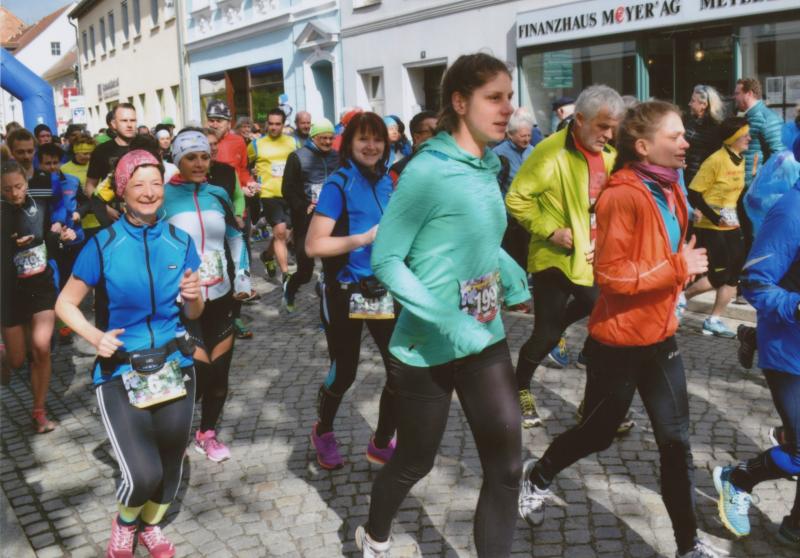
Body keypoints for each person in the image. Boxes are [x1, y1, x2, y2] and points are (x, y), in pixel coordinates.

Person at [517, 100, 718, 558]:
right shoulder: (621, 195)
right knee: (598, 433)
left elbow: (658, 255)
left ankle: (687, 545)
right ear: (643, 147)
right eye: (675, 136)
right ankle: (539, 474)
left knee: (676, 442)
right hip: (619, 342)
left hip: (661, 336)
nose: (686, 143)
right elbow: (611, 276)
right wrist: (678, 267)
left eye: (684, 134)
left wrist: (678, 277)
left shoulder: (671, 187)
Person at [357, 53, 530, 558]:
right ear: (459, 101)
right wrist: (449, 319)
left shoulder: (488, 166)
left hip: (484, 336)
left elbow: (475, 236)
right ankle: (374, 536)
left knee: (507, 468)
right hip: (425, 346)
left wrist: (511, 273)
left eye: (509, 97)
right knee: (415, 461)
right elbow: (387, 260)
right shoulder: (427, 172)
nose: (508, 108)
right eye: (494, 98)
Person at [55, 149, 203, 558]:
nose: (149, 192)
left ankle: (150, 527)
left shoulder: (179, 241)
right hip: (121, 370)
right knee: (142, 472)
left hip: (175, 366)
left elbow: (194, 311)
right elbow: (64, 303)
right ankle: (124, 524)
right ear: (122, 191)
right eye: (138, 184)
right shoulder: (103, 244)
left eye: (156, 183)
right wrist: (94, 336)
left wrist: (194, 298)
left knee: (170, 468)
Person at [506, 85, 624, 427]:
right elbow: (516, 199)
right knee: (548, 335)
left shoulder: (610, 155)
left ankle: (592, 404)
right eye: (602, 126)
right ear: (580, 120)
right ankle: (519, 387)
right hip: (554, 259)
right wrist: (551, 231)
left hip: (592, 259)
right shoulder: (549, 152)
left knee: (602, 323)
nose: (608, 134)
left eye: (612, 127)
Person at [711, 151, 800, 548]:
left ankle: (795, 527)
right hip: (789, 351)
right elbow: (754, 283)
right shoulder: (792, 211)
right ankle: (739, 478)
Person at [304, 112, 397, 471]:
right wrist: (364, 238)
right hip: (344, 291)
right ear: (349, 143)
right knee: (344, 372)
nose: (371, 146)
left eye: (378, 139)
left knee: (400, 371)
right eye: (363, 139)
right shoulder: (338, 184)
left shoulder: (387, 182)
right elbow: (314, 245)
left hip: (383, 290)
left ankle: (381, 442)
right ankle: (323, 431)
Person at [164, 129, 251, 462]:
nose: (200, 163)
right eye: (191, 157)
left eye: (204, 156)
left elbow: (234, 236)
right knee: (198, 373)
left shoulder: (218, 193)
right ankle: (170, 428)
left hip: (222, 294)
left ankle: (207, 434)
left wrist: (242, 277)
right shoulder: (164, 197)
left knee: (220, 377)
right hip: (183, 301)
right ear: (177, 160)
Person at [2, 161, 75, 433]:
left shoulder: (40, 202)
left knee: (42, 347)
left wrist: (64, 234)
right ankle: (4, 356)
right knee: (17, 360)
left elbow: (51, 235)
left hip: (40, 285)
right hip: (9, 290)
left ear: (26, 183)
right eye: (6, 189)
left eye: (18, 186)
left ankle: (39, 411)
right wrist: (9, 244)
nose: (14, 193)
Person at [684, 117, 750, 337]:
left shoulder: (740, 159)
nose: (749, 138)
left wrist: (744, 222)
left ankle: (714, 320)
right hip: (710, 226)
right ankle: (681, 298)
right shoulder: (715, 160)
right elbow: (694, 192)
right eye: (745, 135)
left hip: (732, 225)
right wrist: (714, 218)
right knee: (719, 274)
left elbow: (736, 197)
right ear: (733, 138)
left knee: (734, 275)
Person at [281, 118, 338, 312]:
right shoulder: (297, 157)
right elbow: (287, 189)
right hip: (305, 220)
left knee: (331, 270)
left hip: (331, 217)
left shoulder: (337, 157)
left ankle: (328, 315)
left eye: (331, 138)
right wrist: (303, 206)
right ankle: (291, 286)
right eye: (323, 138)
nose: (328, 142)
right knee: (305, 272)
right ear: (313, 137)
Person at [734, 78, 786, 263]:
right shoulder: (747, 116)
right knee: (747, 233)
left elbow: (779, 154)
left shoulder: (765, 117)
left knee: (756, 235)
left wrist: (761, 181)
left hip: (754, 189)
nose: (734, 97)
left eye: (737, 93)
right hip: (745, 186)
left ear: (749, 93)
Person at [248, 108, 297, 281]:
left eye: (277, 124)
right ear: (266, 124)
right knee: (280, 232)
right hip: (268, 194)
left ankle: (267, 256)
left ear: (283, 125)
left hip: (290, 194)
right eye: (270, 123)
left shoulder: (293, 142)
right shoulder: (256, 144)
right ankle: (286, 275)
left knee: (283, 235)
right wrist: (251, 175)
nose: (273, 127)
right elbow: (244, 165)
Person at [494, 108, 536, 306]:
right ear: (510, 135)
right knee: (511, 257)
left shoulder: (533, 151)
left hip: (528, 215)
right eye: (522, 136)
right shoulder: (498, 154)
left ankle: (521, 293)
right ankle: (513, 297)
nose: (526, 139)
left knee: (526, 255)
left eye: (528, 135)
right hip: (507, 217)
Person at [85, 103, 137, 202]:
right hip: (111, 208)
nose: (129, 125)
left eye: (133, 120)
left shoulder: (146, 148)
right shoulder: (101, 150)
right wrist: (102, 207)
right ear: (113, 124)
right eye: (124, 121)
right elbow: (90, 185)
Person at [684, 84, 725, 185]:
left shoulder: (715, 129)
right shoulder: (691, 122)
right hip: (689, 177)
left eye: (693, 101)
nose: (689, 104)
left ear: (704, 105)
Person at [387, 110, 437, 185]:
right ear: (417, 137)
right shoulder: (399, 171)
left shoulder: (451, 163)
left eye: (443, 131)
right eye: (434, 132)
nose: (441, 136)